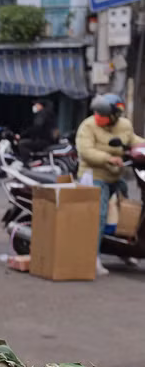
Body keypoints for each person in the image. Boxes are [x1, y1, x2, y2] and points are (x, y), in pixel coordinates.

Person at [76, 93, 144, 275]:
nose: (97, 117)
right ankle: (93, 257)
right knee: (100, 214)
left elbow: (133, 141)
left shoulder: (124, 126)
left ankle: (124, 251)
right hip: (94, 175)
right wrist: (109, 158)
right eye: (96, 114)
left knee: (129, 213)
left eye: (102, 115)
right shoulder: (88, 126)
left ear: (114, 116)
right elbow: (86, 151)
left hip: (115, 177)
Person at [17, 98, 56, 165]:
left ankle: (27, 163)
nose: (34, 106)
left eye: (36, 105)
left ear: (40, 106)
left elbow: (36, 128)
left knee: (22, 144)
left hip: (43, 141)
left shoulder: (42, 114)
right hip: (48, 140)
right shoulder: (48, 113)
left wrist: (22, 135)